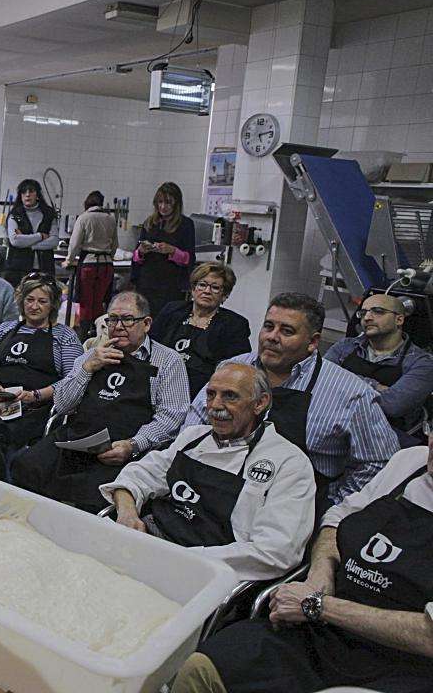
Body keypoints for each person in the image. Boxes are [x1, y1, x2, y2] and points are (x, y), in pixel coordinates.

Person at [173, 439, 433, 693]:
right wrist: (321, 572)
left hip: (400, 665)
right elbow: (337, 517)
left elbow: (428, 635)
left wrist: (320, 606)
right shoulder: (409, 462)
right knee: (201, 667)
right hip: (320, 634)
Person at [187, 292, 397, 518]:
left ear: (313, 342)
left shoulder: (351, 394)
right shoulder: (232, 367)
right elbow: (194, 426)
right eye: (268, 327)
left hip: (291, 511)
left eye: (287, 331)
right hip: (211, 491)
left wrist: (331, 505)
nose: (272, 337)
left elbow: (379, 463)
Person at [101, 362, 315, 581]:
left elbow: (276, 552)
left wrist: (182, 559)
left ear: (260, 403)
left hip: (205, 571)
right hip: (149, 542)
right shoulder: (192, 437)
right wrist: (127, 512)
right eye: (211, 394)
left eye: (230, 396)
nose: (215, 406)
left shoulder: (290, 463)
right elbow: (140, 474)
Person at [6, 291, 190, 512]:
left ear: (147, 323)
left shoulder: (168, 361)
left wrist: (133, 444)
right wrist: (87, 368)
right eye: (112, 319)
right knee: (25, 466)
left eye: (128, 319)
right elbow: (63, 405)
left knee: (94, 496)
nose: (118, 326)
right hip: (76, 439)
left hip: (122, 448)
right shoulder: (92, 355)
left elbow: (171, 418)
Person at [0, 274, 83, 478]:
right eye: (30, 299)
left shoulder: (65, 336)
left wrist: (34, 395)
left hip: (35, 408)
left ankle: (3, 479)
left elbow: (73, 382)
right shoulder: (5, 328)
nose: (34, 306)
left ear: (52, 305)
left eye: (42, 301)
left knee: (1, 430)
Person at [325, 293, 433, 448]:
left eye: (378, 311)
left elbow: (392, 405)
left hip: (388, 440)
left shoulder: (421, 362)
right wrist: (376, 386)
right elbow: (320, 380)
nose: (367, 317)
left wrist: (341, 380)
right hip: (336, 427)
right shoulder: (345, 346)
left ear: (399, 319)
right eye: (363, 313)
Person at [151, 262, 252, 397]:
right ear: (193, 289)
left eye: (215, 287)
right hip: (159, 383)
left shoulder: (234, 325)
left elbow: (237, 369)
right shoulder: (172, 310)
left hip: (202, 393)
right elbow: (150, 345)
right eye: (202, 285)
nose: (207, 291)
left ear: (224, 295)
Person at [132, 182, 196, 315]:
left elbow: (189, 258)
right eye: (160, 202)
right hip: (147, 282)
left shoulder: (185, 225)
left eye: (168, 203)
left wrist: (172, 251)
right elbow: (136, 257)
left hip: (170, 285)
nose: (163, 207)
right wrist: (141, 251)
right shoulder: (149, 222)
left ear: (176, 204)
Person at [62, 191, 117, 340]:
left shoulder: (84, 218)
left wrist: (69, 259)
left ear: (87, 204)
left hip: (89, 265)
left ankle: (82, 336)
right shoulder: (111, 219)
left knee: (86, 301)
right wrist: (109, 257)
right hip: (106, 265)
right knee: (99, 301)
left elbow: (74, 244)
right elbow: (115, 245)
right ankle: (99, 335)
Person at [0, 178, 59, 287]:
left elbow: (54, 241)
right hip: (18, 269)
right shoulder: (15, 215)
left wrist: (28, 244)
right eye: (24, 192)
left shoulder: (49, 214)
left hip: (44, 268)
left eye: (31, 191)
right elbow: (15, 241)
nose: (27, 195)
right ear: (20, 195)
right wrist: (40, 236)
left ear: (37, 195)